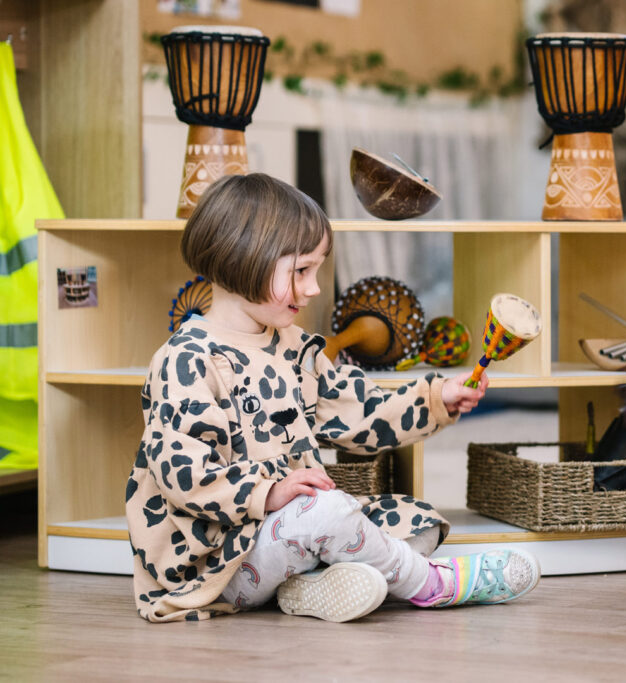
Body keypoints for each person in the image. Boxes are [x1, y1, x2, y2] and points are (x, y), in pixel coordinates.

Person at [126, 173, 540, 623]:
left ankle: (306, 587)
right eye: (301, 270)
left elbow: (359, 411)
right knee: (327, 514)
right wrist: (268, 493)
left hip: (285, 535)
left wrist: (437, 397)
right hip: (220, 560)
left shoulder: (294, 346)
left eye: (316, 270)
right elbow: (183, 475)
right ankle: (434, 585)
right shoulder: (186, 360)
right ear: (243, 259)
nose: (314, 288)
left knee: (416, 519)